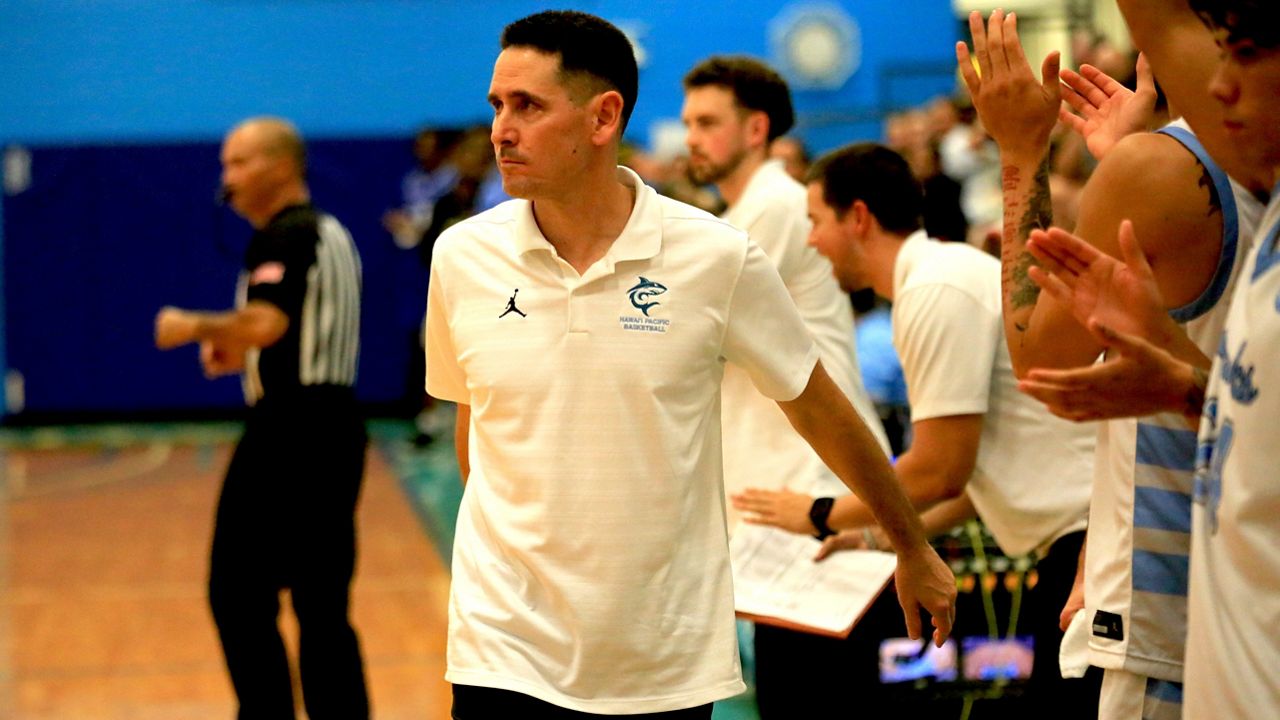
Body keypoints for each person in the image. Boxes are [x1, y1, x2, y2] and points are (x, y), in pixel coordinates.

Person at [424, 11, 956, 718]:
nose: (500, 130)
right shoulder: (461, 257)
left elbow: (821, 408)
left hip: (661, 655)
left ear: (603, 117)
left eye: (527, 106)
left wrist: (912, 545)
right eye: (497, 105)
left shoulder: (717, 257)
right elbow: (476, 433)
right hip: (502, 645)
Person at [957, 8, 1263, 718]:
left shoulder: (1161, 168)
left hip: (1176, 608)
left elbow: (1040, 362)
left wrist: (1021, 151)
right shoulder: (1237, 170)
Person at [734, 142, 1097, 714]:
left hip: (1087, 542)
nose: (811, 241)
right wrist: (877, 534)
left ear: (858, 218)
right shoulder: (933, 280)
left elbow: (939, 470)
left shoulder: (934, 286)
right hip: (1070, 542)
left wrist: (820, 513)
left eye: (816, 222)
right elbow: (973, 482)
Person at [680, 54, 890, 717]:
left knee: (816, 700)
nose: (691, 137)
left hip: (816, 494)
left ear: (755, 129)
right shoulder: (744, 213)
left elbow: (686, 336)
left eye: (707, 122)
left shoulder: (773, 205)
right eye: (688, 123)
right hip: (786, 499)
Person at [154, 117, 369, 718]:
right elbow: (287, 328)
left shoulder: (287, 233)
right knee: (320, 603)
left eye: (239, 163)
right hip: (332, 426)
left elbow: (268, 322)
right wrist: (239, 348)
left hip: (293, 431)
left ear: (281, 165)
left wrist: (192, 325)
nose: (226, 179)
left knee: (237, 592)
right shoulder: (324, 231)